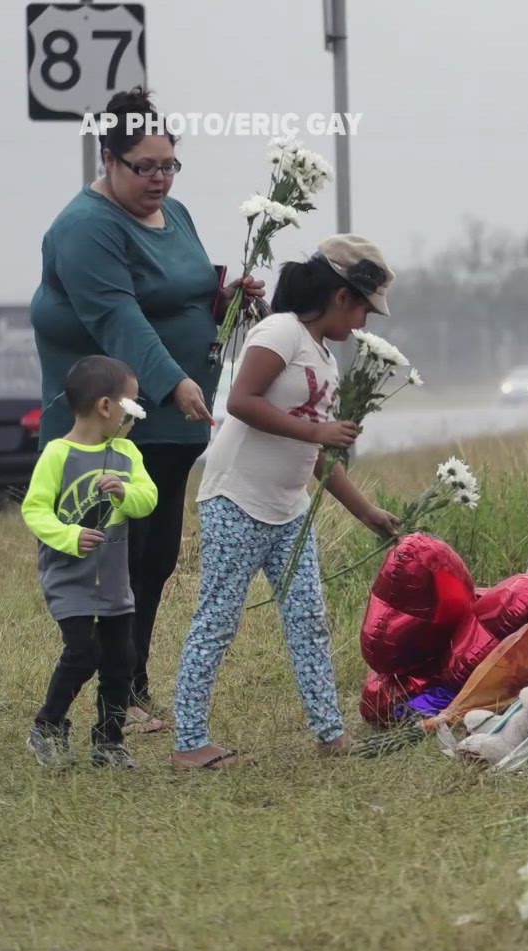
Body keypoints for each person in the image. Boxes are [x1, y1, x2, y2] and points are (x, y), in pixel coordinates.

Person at [29, 87, 266, 738]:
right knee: (110, 565)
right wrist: (174, 383)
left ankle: (130, 684)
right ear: (108, 159)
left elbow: (182, 294)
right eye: (145, 166)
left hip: (169, 427)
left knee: (154, 559)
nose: (160, 179)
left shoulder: (178, 213)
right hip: (107, 426)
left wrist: (227, 301)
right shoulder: (85, 228)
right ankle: (106, 703)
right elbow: (118, 317)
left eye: (169, 165)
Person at [166, 236, 402, 769]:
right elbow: (240, 402)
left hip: (288, 508)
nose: (364, 323)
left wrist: (366, 512)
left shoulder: (326, 359)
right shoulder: (279, 331)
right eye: (364, 308)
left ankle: (330, 735)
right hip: (237, 500)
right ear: (342, 296)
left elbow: (317, 454)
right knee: (218, 620)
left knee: (308, 619)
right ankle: (189, 744)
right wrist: (317, 434)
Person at [20, 355, 159, 768]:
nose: (136, 413)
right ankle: (48, 726)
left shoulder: (129, 453)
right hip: (69, 579)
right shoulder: (57, 455)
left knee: (122, 660)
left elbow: (147, 499)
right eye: (131, 403)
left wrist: (124, 494)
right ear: (105, 407)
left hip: (115, 582)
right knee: (82, 653)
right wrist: (70, 536)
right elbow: (35, 510)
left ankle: (109, 742)